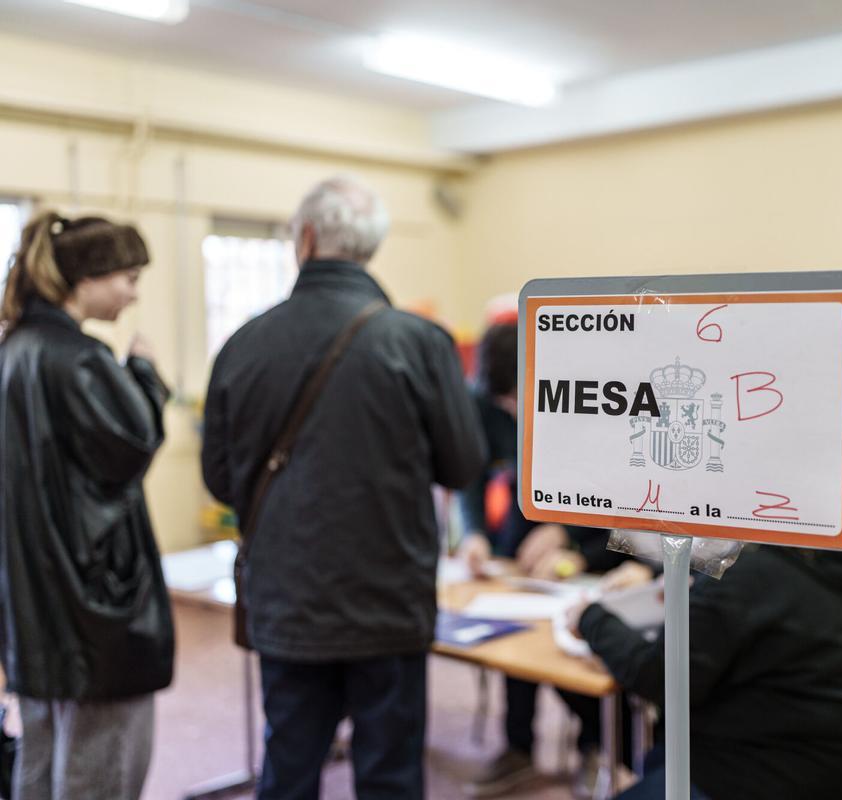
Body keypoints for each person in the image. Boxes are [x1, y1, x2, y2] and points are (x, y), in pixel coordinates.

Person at [201, 175, 486, 800]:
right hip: (389, 604)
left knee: (290, 766)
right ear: (371, 248)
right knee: (388, 774)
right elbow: (463, 466)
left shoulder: (242, 345)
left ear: (303, 238)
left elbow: (220, 480)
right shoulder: (420, 343)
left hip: (286, 599)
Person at [0, 212, 175, 799]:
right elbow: (132, 444)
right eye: (125, 276)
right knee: (101, 761)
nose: (133, 291)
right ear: (85, 278)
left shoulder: (14, 348)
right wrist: (145, 374)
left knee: (43, 750)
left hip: (31, 595)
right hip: (92, 603)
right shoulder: (78, 359)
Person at [458, 321, 647, 798]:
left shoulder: (598, 405)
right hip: (526, 530)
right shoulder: (486, 400)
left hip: (595, 541)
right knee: (515, 642)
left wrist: (568, 534)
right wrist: (476, 533)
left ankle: (596, 746)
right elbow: (473, 475)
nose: (515, 412)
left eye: (521, 398)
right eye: (506, 404)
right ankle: (518, 746)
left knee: (581, 654)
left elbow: (624, 503)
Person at [567, 545, 842, 800]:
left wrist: (591, 618)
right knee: (660, 758)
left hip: (777, 775)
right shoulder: (822, 553)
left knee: (663, 755)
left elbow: (660, 678)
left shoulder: (744, 569)